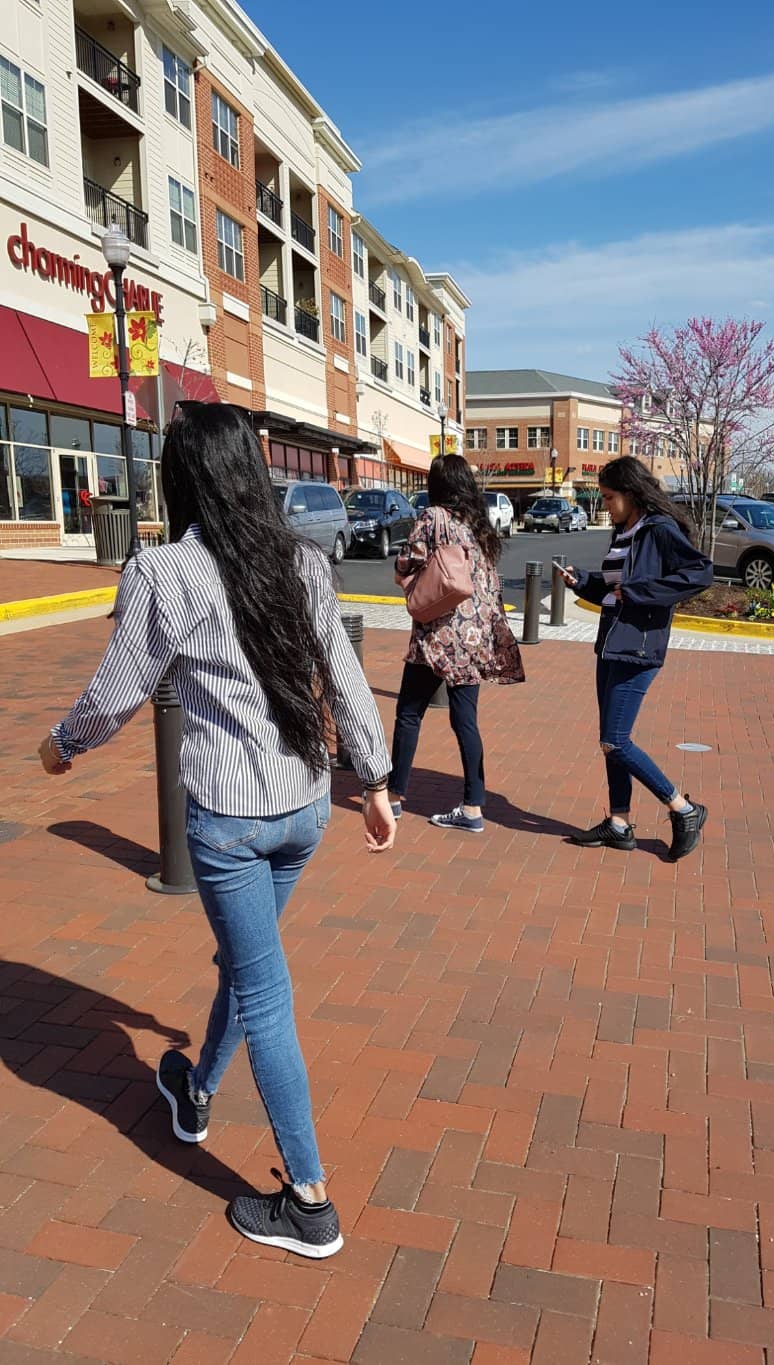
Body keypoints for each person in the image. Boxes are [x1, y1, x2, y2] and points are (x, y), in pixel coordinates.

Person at [38, 402, 395, 1259]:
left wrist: (62, 747)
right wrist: (376, 781)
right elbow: (345, 673)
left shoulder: (167, 572)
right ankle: (195, 1091)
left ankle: (309, 1203)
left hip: (231, 822)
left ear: (184, 478)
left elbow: (117, 691)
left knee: (264, 989)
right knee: (249, 961)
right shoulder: (302, 562)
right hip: (305, 806)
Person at [563, 456, 713, 860]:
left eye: (610, 497)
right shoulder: (623, 530)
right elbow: (616, 590)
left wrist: (641, 593)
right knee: (609, 743)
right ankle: (619, 823)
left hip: (639, 649)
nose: (605, 505)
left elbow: (699, 573)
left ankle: (683, 809)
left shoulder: (659, 530)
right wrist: (585, 582)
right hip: (611, 644)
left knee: (615, 739)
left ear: (631, 493)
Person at [389, 454, 524, 831]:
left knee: (409, 713)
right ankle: (472, 808)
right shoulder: (478, 525)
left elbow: (407, 560)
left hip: (437, 635)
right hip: (473, 637)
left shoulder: (433, 517)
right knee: (466, 720)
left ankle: (395, 796)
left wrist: (404, 574)